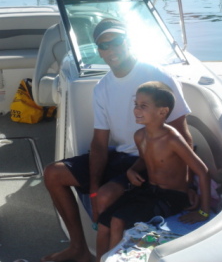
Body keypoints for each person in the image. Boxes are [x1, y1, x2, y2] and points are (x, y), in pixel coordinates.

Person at [41, 18, 194, 262]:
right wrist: (92, 187)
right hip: (121, 156)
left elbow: (182, 134)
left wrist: (187, 187)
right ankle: (79, 248)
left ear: (129, 41)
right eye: (103, 45)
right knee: (53, 173)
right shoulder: (102, 87)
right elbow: (99, 144)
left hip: (152, 162)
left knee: (108, 195)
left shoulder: (157, 75)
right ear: (98, 52)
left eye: (117, 42)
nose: (110, 50)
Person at [96, 81, 210, 260]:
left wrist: (203, 211)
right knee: (103, 224)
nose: (136, 110)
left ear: (162, 112)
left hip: (172, 197)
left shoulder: (172, 138)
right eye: (136, 105)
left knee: (118, 221)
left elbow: (202, 170)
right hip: (149, 191)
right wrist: (131, 171)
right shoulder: (140, 136)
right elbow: (143, 160)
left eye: (143, 106)